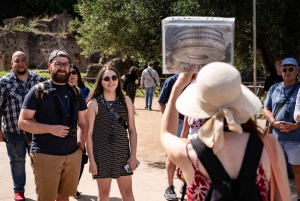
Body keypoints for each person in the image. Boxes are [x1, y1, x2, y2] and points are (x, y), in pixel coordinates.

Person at [161, 63, 291, 200]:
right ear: (240, 99)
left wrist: (177, 87)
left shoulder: (187, 152)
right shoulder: (270, 146)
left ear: (200, 104)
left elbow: (166, 134)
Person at [18, 50, 88, 201]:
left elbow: (83, 122)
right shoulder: (38, 91)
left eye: (66, 65)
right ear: (49, 66)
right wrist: (50, 129)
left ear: (70, 68)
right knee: (47, 198)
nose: (62, 68)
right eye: (57, 64)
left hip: (72, 155)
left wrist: (80, 147)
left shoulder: (76, 92)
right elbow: (23, 122)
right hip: (45, 154)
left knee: (64, 197)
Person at [86, 65, 138, 201]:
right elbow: (89, 135)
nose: (111, 81)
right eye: (106, 78)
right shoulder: (93, 104)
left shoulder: (126, 101)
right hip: (101, 154)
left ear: (118, 80)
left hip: (122, 152)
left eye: (114, 77)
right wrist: (91, 160)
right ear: (101, 81)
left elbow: (132, 130)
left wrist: (133, 155)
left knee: (128, 192)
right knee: (104, 194)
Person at [0, 51, 44, 201]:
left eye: (23, 60)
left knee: (40, 161)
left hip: (36, 130)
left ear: (27, 62)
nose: (20, 63)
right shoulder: (4, 82)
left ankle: (43, 190)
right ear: (11, 63)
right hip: (13, 131)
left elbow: (46, 104)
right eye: (16, 61)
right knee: (17, 162)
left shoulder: (38, 79)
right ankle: (19, 191)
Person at [264, 57, 300, 200]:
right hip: (277, 138)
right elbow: (266, 109)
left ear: (297, 71)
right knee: (277, 171)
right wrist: (273, 122)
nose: (287, 72)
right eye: (284, 69)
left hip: (296, 138)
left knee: (297, 170)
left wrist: (297, 125)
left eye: (291, 69)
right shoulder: (274, 88)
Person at [158, 73, 184, 200]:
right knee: (172, 155)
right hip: (177, 121)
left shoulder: (197, 80)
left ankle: (185, 183)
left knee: (191, 155)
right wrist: (168, 121)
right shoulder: (171, 81)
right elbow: (162, 102)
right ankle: (170, 186)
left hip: (194, 122)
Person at [68, 64, 90, 198]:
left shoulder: (86, 90)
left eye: (74, 72)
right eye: (69, 73)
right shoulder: (62, 90)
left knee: (81, 158)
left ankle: (74, 186)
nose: (72, 75)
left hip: (82, 128)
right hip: (67, 129)